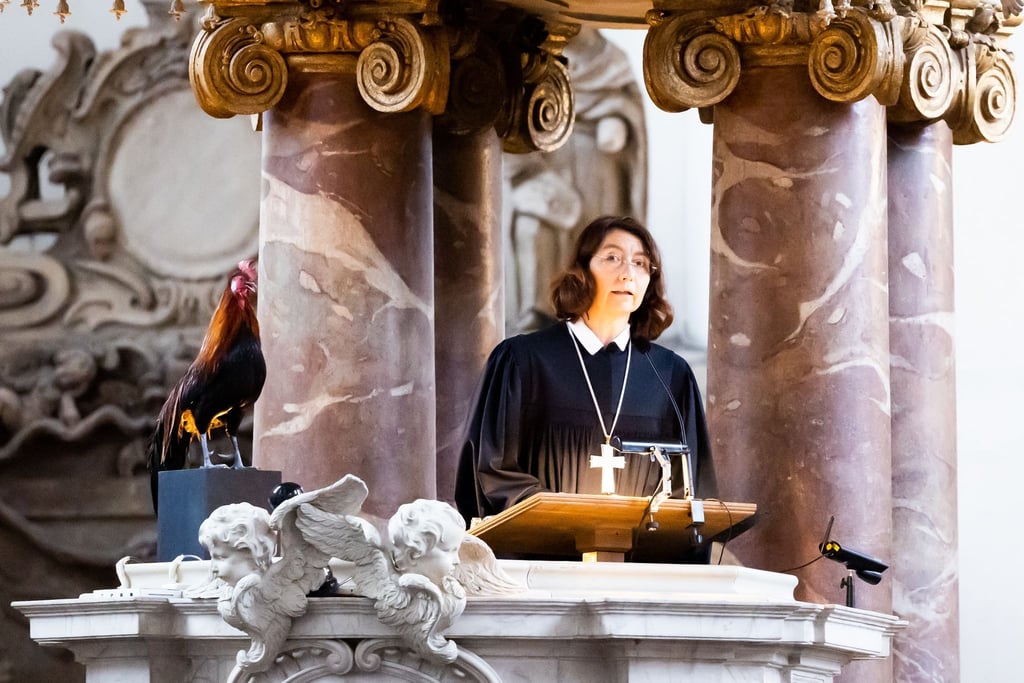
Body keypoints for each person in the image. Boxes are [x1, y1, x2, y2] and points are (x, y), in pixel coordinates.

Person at [455, 216, 717, 560]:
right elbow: (491, 470)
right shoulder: (523, 360)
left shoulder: (670, 375)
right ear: (581, 270)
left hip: (639, 576)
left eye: (640, 263)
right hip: (542, 572)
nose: (627, 273)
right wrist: (567, 519)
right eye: (612, 258)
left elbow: (692, 489)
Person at [197, 502, 276, 587]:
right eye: (212, 558)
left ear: (252, 554)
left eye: (221, 557)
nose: (213, 569)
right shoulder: (220, 585)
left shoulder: (266, 588)